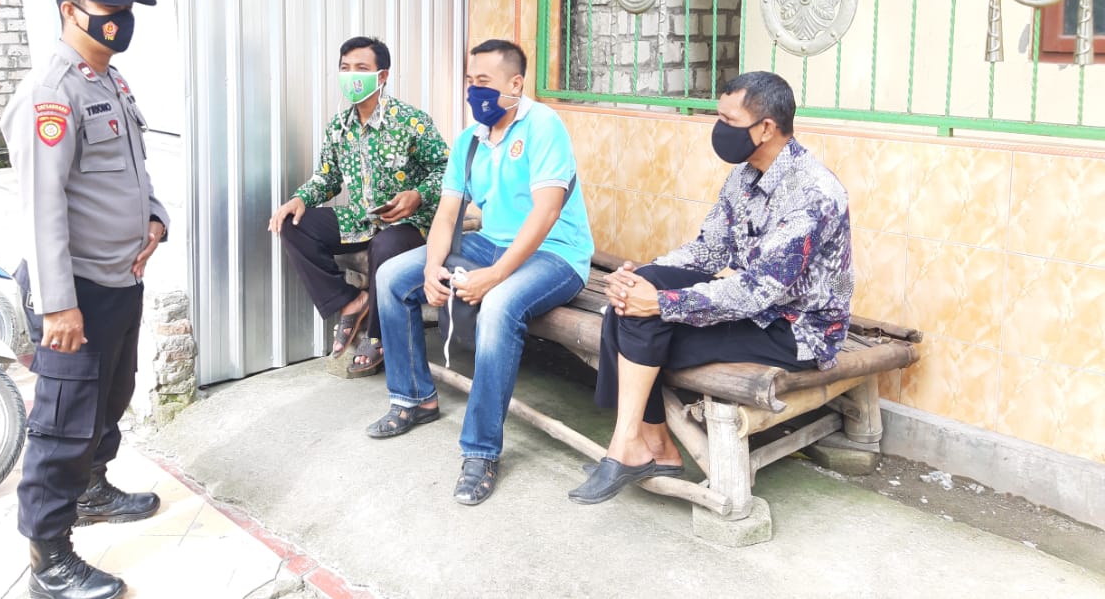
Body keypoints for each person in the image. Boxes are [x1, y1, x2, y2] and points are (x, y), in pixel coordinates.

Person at [569, 70, 853, 505]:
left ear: (766, 128)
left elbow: (758, 291)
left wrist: (662, 302)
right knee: (631, 299)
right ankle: (648, 446)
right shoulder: (745, 176)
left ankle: (635, 446)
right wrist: (644, 275)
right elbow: (709, 250)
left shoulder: (813, 193)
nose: (718, 129)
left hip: (796, 330)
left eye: (728, 121)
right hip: (751, 307)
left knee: (643, 321)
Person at [2, 0, 169, 599]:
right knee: (63, 423)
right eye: (109, 11)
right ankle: (49, 559)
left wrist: (154, 218)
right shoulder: (52, 92)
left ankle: (93, 490)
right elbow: (41, 207)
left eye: (127, 10)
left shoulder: (111, 81)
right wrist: (58, 306)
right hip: (75, 291)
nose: (121, 21)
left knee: (110, 399)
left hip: (119, 281)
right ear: (69, 11)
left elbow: (133, 168)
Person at [365, 39, 594, 506]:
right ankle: (414, 398)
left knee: (499, 306)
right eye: (471, 81)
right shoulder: (471, 139)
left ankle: (481, 450)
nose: (474, 91)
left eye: (484, 82)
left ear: (516, 84)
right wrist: (432, 267)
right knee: (391, 277)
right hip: (491, 242)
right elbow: (448, 212)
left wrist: (496, 276)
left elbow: (547, 212)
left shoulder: (543, 126)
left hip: (556, 253)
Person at [269, 37, 449, 375]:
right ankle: (350, 301)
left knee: (384, 246)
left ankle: (377, 336)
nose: (352, 75)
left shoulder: (412, 121)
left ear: (382, 76)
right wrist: (299, 198)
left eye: (361, 68)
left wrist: (418, 194)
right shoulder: (339, 128)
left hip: (411, 224)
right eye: (345, 68)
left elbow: (446, 168)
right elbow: (327, 178)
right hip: (361, 219)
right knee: (294, 225)